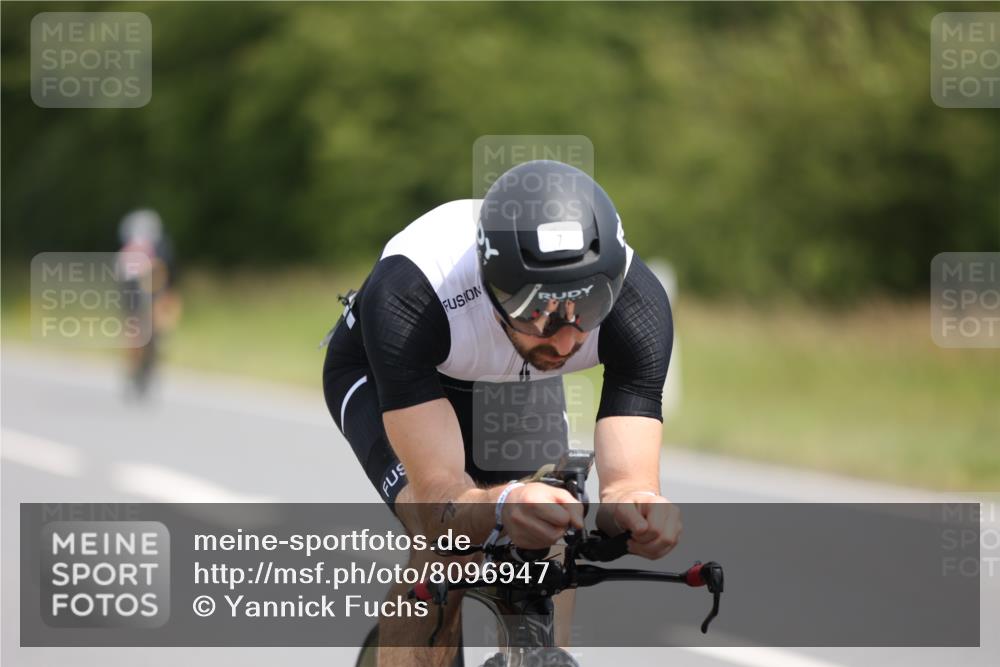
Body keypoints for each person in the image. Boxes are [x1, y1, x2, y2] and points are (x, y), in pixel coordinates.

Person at [322, 160, 680, 666]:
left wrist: (639, 506)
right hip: (394, 372)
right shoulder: (411, 292)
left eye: (588, 309)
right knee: (448, 546)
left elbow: (628, 482)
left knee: (553, 541)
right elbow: (438, 494)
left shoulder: (637, 305)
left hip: (514, 378)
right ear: (494, 288)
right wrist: (501, 502)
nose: (565, 338)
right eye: (540, 310)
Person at [116, 208, 181, 398]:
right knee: (135, 332)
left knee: (155, 330)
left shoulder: (161, 249)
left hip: (154, 295)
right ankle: (133, 367)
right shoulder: (128, 253)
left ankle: (145, 364)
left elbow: (169, 276)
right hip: (136, 296)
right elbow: (124, 283)